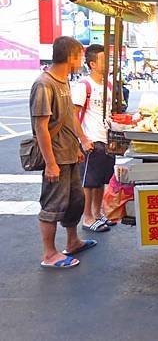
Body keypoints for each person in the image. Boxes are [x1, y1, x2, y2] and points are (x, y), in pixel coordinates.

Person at [29, 36, 96, 269]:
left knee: (75, 201)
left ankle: (73, 241)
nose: (81, 60)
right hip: (55, 157)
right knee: (53, 205)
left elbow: (68, 119)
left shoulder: (64, 81)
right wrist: (50, 163)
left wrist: (79, 143)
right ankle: (49, 254)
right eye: (79, 55)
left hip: (69, 153)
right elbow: (41, 128)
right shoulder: (44, 84)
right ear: (70, 57)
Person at [71, 44, 117, 232]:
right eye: (103, 59)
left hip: (106, 139)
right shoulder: (84, 86)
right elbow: (73, 115)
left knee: (100, 181)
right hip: (91, 140)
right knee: (89, 182)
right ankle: (87, 218)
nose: (107, 62)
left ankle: (98, 214)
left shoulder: (108, 85)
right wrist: (83, 139)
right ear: (92, 64)